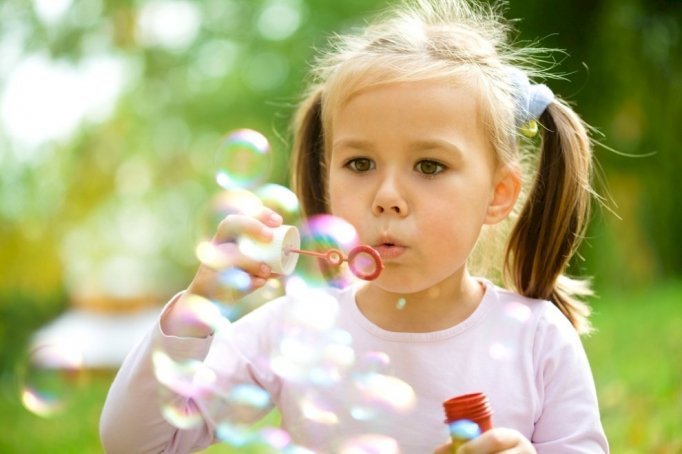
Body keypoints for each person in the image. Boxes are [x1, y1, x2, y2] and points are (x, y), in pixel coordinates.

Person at [100, 0, 609, 452]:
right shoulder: (290, 330)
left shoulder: (539, 340)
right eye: (360, 164)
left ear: (498, 195)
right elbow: (139, 443)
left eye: (430, 166)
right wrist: (196, 309)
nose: (387, 197)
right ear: (329, 176)